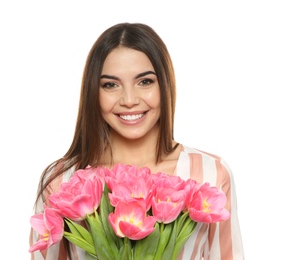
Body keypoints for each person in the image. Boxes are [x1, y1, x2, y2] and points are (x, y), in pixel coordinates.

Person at [29, 22, 244, 259]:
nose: (129, 100)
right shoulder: (62, 181)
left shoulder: (210, 173)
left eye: (145, 82)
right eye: (110, 85)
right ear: (94, 92)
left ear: (165, 85)